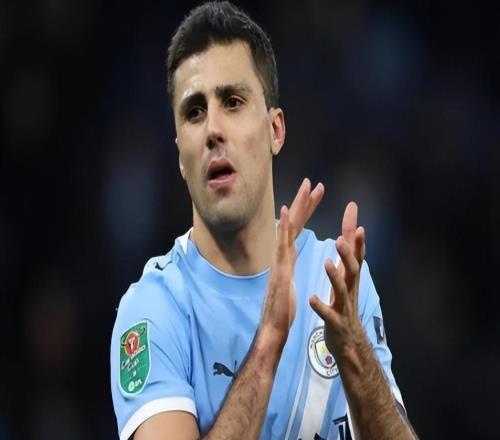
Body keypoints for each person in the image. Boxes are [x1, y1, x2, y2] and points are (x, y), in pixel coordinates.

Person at [110, 2, 418, 439]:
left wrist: (354, 351)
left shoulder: (336, 280)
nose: (213, 129)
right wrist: (270, 339)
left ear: (275, 130)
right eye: (194, 112)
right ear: (180, 154)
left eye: (232, 102)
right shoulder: (153, 310)